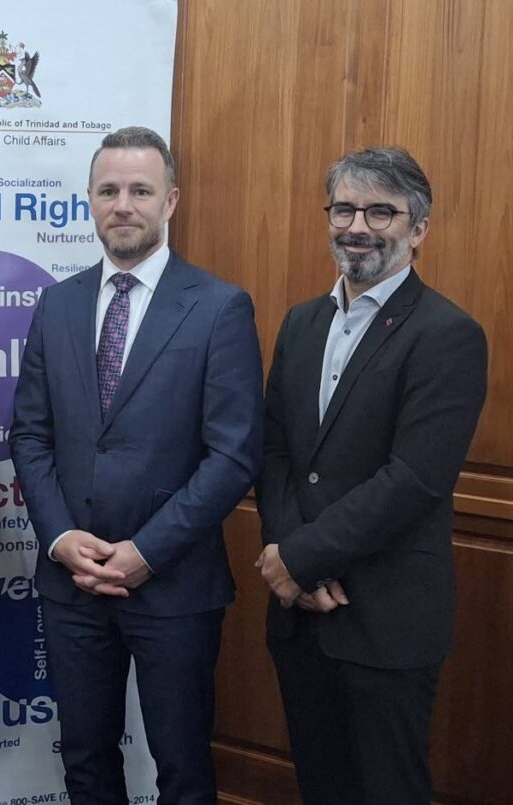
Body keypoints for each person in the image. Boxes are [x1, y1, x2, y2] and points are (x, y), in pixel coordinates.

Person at [9, 126, 264, 804]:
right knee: (86, 761)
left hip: (173, 584)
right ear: (90, 201)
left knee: (182, 767)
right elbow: (30, 435)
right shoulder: (57, 304)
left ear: (171, 200)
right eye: (109, 190)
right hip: (73, 583)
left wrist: (146, 551)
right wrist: (62, 539)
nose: (123, 204)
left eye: (141, 190)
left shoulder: (218, 307)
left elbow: (234, 454)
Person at [255, 146, 488, 805]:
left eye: (381, 210)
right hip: (300, 617)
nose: (358, 225)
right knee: (321, 785)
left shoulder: (448, 334)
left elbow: (414, 479)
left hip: (387, 621)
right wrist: (287, 559)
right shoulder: (302, 323)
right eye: (345, 208)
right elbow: (275, 452)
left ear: (418, 229)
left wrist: (301, 556)